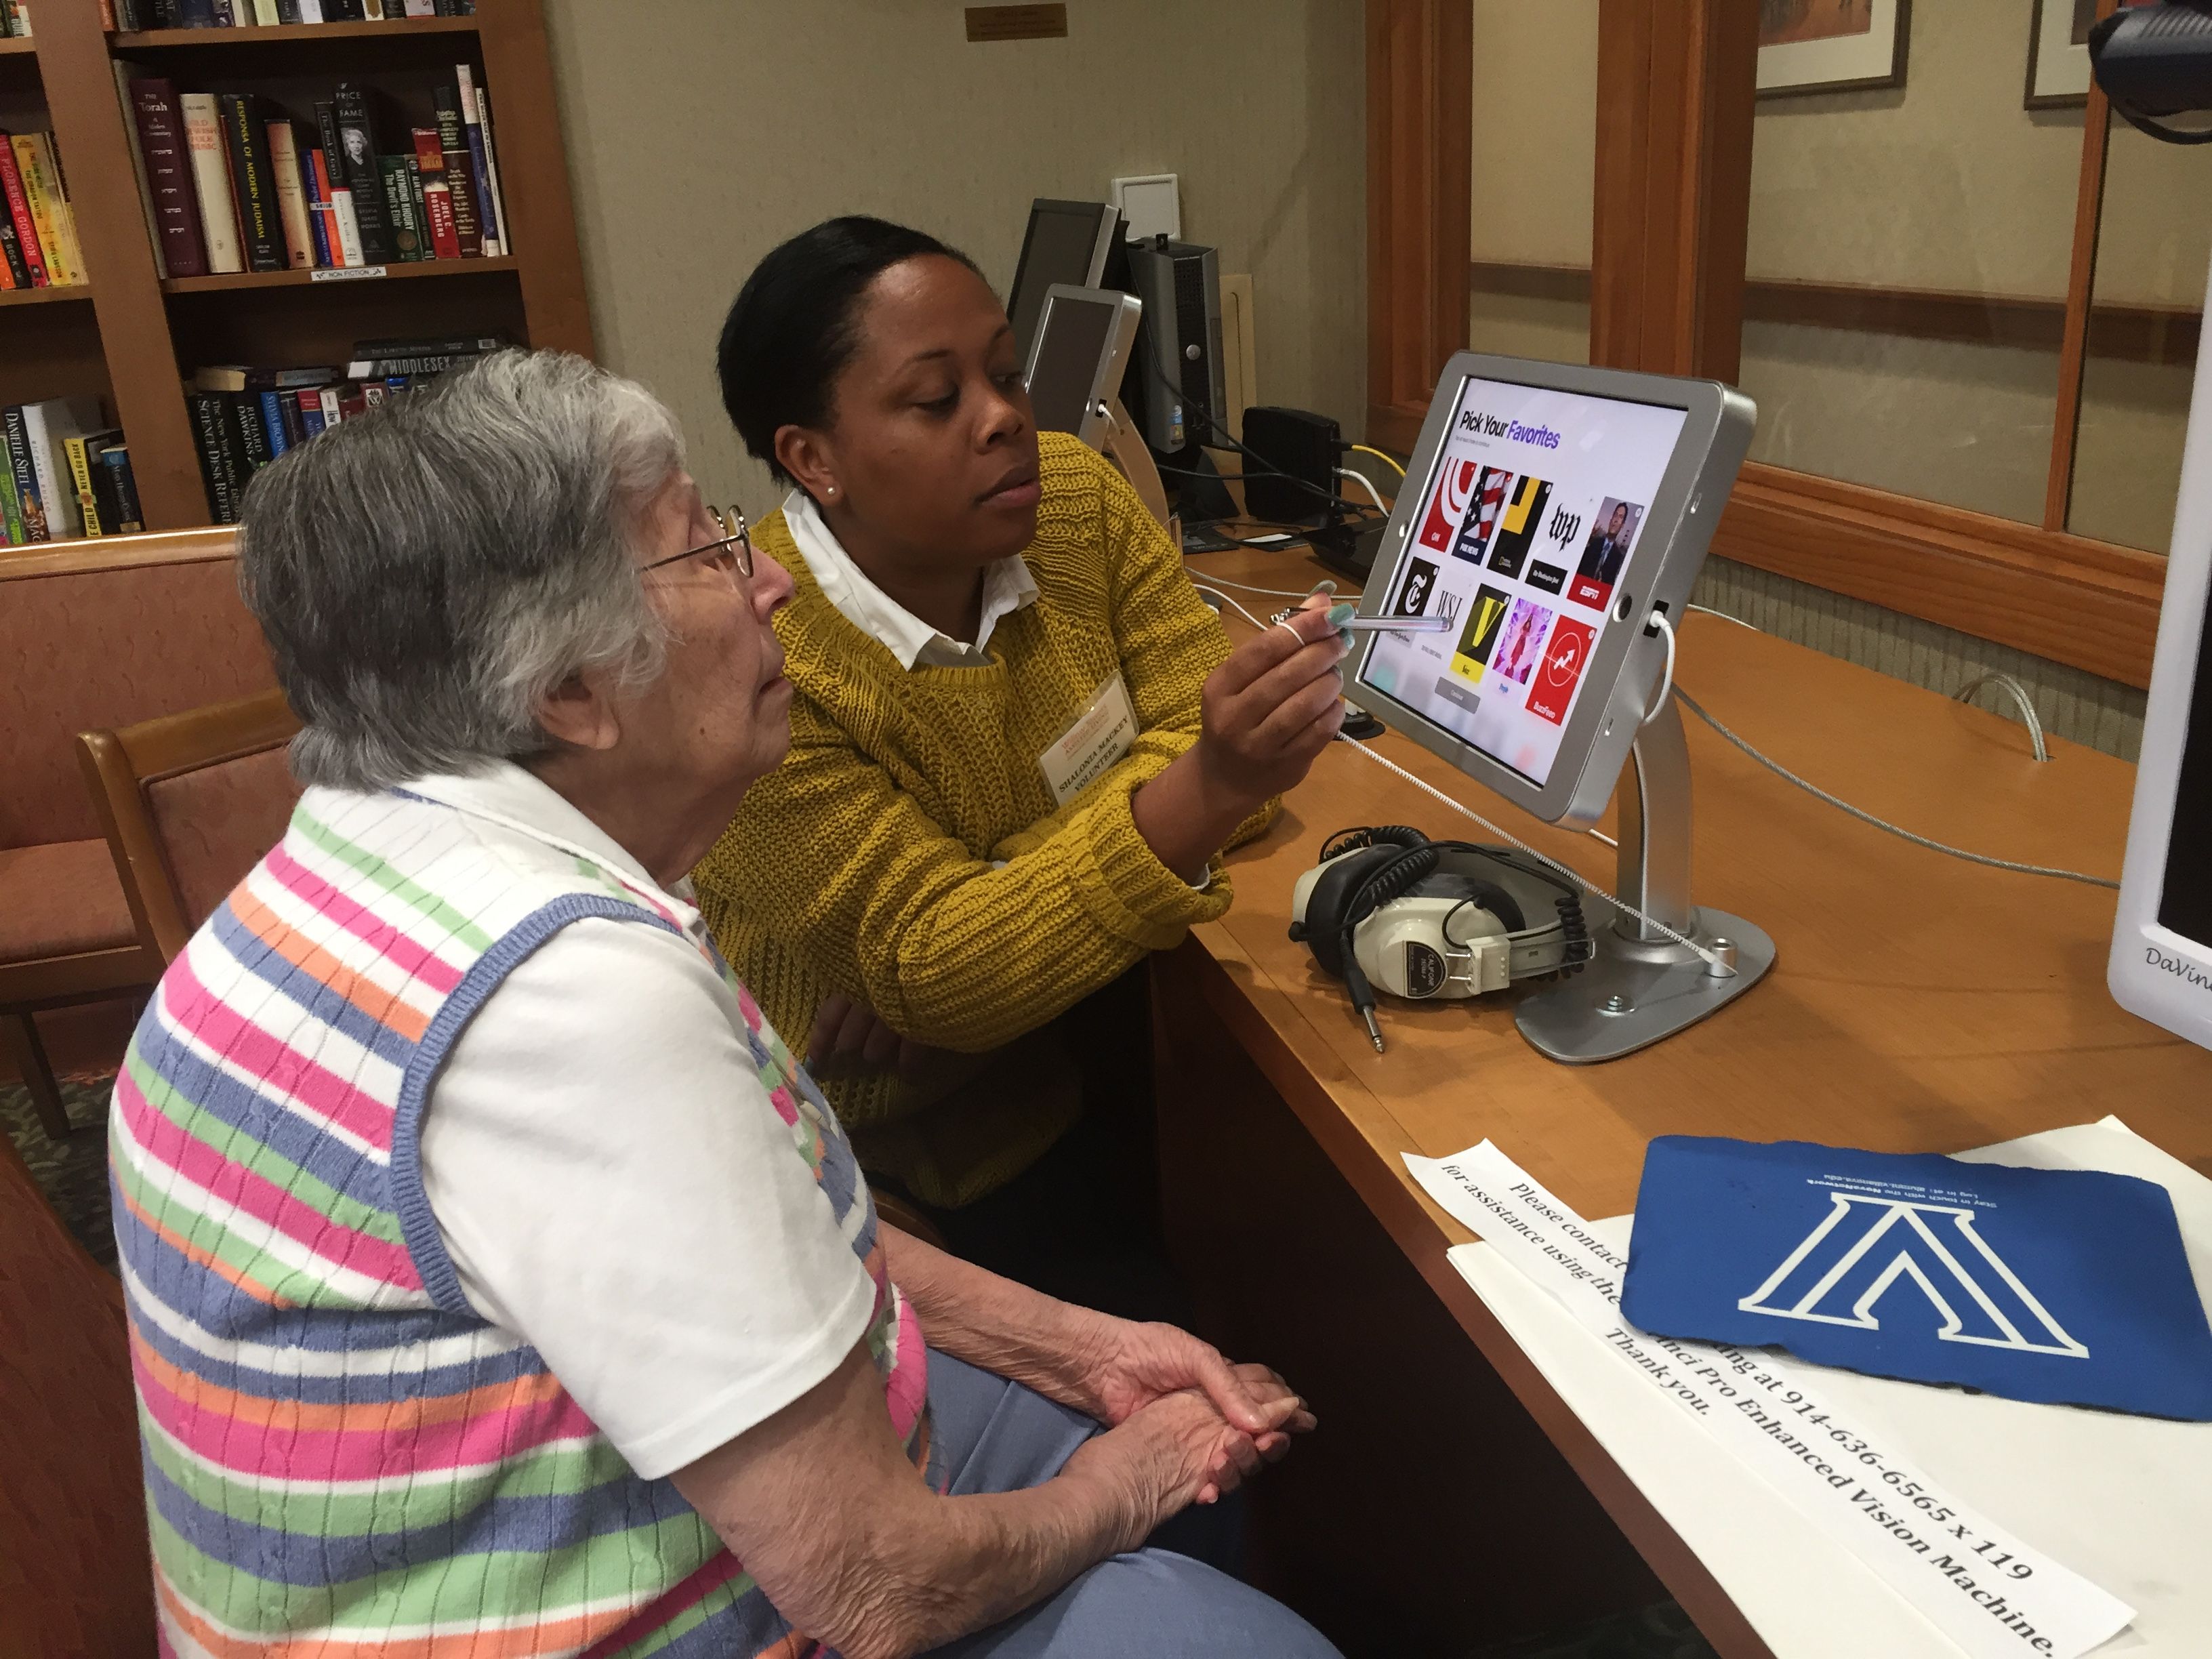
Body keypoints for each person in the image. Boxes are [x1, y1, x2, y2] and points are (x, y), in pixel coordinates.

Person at [108, 351, 1338, 1659]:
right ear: (567, 695)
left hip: (574, 1493)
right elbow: (877, 1590)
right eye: (701, 550)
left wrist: (1076, 1347)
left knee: (1146, 1440)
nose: (768, 580)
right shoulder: (566, 1000)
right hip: (661, 1600)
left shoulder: (360, 854)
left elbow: (746, 1218)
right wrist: (1126, 1477)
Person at [692, 217, 1348, 1298]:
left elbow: (1209, 763)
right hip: (902, 1157)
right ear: (813, 460)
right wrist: (1205, 786)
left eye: (1006, 374)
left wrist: (994, 897)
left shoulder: (1075, 505)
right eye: (937, 399)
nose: (1005, 420)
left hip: (1097, 1026)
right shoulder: (759, 658)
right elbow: (940, 978)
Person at [1578, 500, 1634, 588]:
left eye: (1620, 517)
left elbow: (1610, 583)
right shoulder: (1593, 542)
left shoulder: (1617, 556)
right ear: (1611, 519)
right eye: (1615, 515)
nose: (1616, 520)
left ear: (1622, 525)